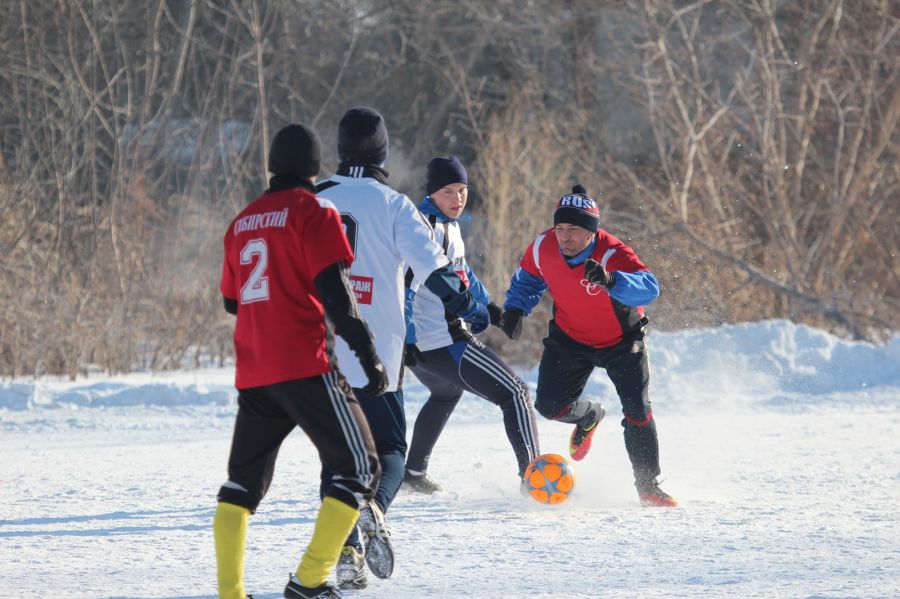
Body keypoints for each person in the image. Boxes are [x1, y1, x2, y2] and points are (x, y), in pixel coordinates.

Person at [315, 108, 490, 589]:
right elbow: (436, 271)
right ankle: (373, 507)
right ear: (382, 153)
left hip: (320, 351)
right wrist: (468, 301)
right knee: (390, 451)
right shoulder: (393, 205)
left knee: (338, 459)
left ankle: (346, 552)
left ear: (340, 149)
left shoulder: (312, 200)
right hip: (377, 352)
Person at [215, 123, 391, 599]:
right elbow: (338, 296)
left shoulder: (243, 219)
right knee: (360, 468)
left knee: (241, 485)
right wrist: (369, 356)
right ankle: (309, 581)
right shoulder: (314, 212)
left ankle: (231, 592)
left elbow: (233, 302)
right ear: (315, 168)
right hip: (306, 364)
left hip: (255, 371)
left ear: (273, 164)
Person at [499, 184, 677, 507]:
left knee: (637, 411)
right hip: (571, 338)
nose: (564, 237)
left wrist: (612, 281)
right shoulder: (544, 246)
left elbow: (650, 288)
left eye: (574, 230)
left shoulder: (611, 253)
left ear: (591, 232)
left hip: (622, 341)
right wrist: (515, 308)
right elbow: (528, 277)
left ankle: (648, 486)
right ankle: (589, 415)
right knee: (549, 406)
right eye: (560, 228)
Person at [402, 156, 540, 494]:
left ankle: (413, 474)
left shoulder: (451, 226)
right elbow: (404, 286)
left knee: (446, 393)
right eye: (448, 191)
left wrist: (494, 311)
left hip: (428, 346)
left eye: (462, 190)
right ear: (431, 193)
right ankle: (535, 479)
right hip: (442, 342)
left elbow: (464, 275)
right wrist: (406, 338)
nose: (457, 198)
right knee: (517, 394)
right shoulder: (424, 228)